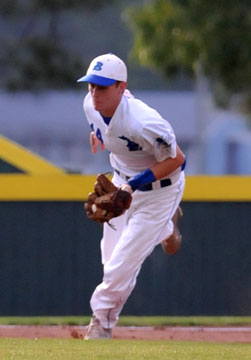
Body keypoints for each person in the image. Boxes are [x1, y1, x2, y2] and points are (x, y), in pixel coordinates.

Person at [77, 53, 186, 340]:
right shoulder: (90, 104)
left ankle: (100, 324)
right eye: (91, 85)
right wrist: (97, 136)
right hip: (121, 183)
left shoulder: (145, 122)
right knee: (110, 259)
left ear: (121, 87)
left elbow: (178, 160)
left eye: (102, 87)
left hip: (160, 192)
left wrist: (133, 184)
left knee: (121, 264)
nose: (94, 93)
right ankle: (167, 228)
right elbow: (99, 126)